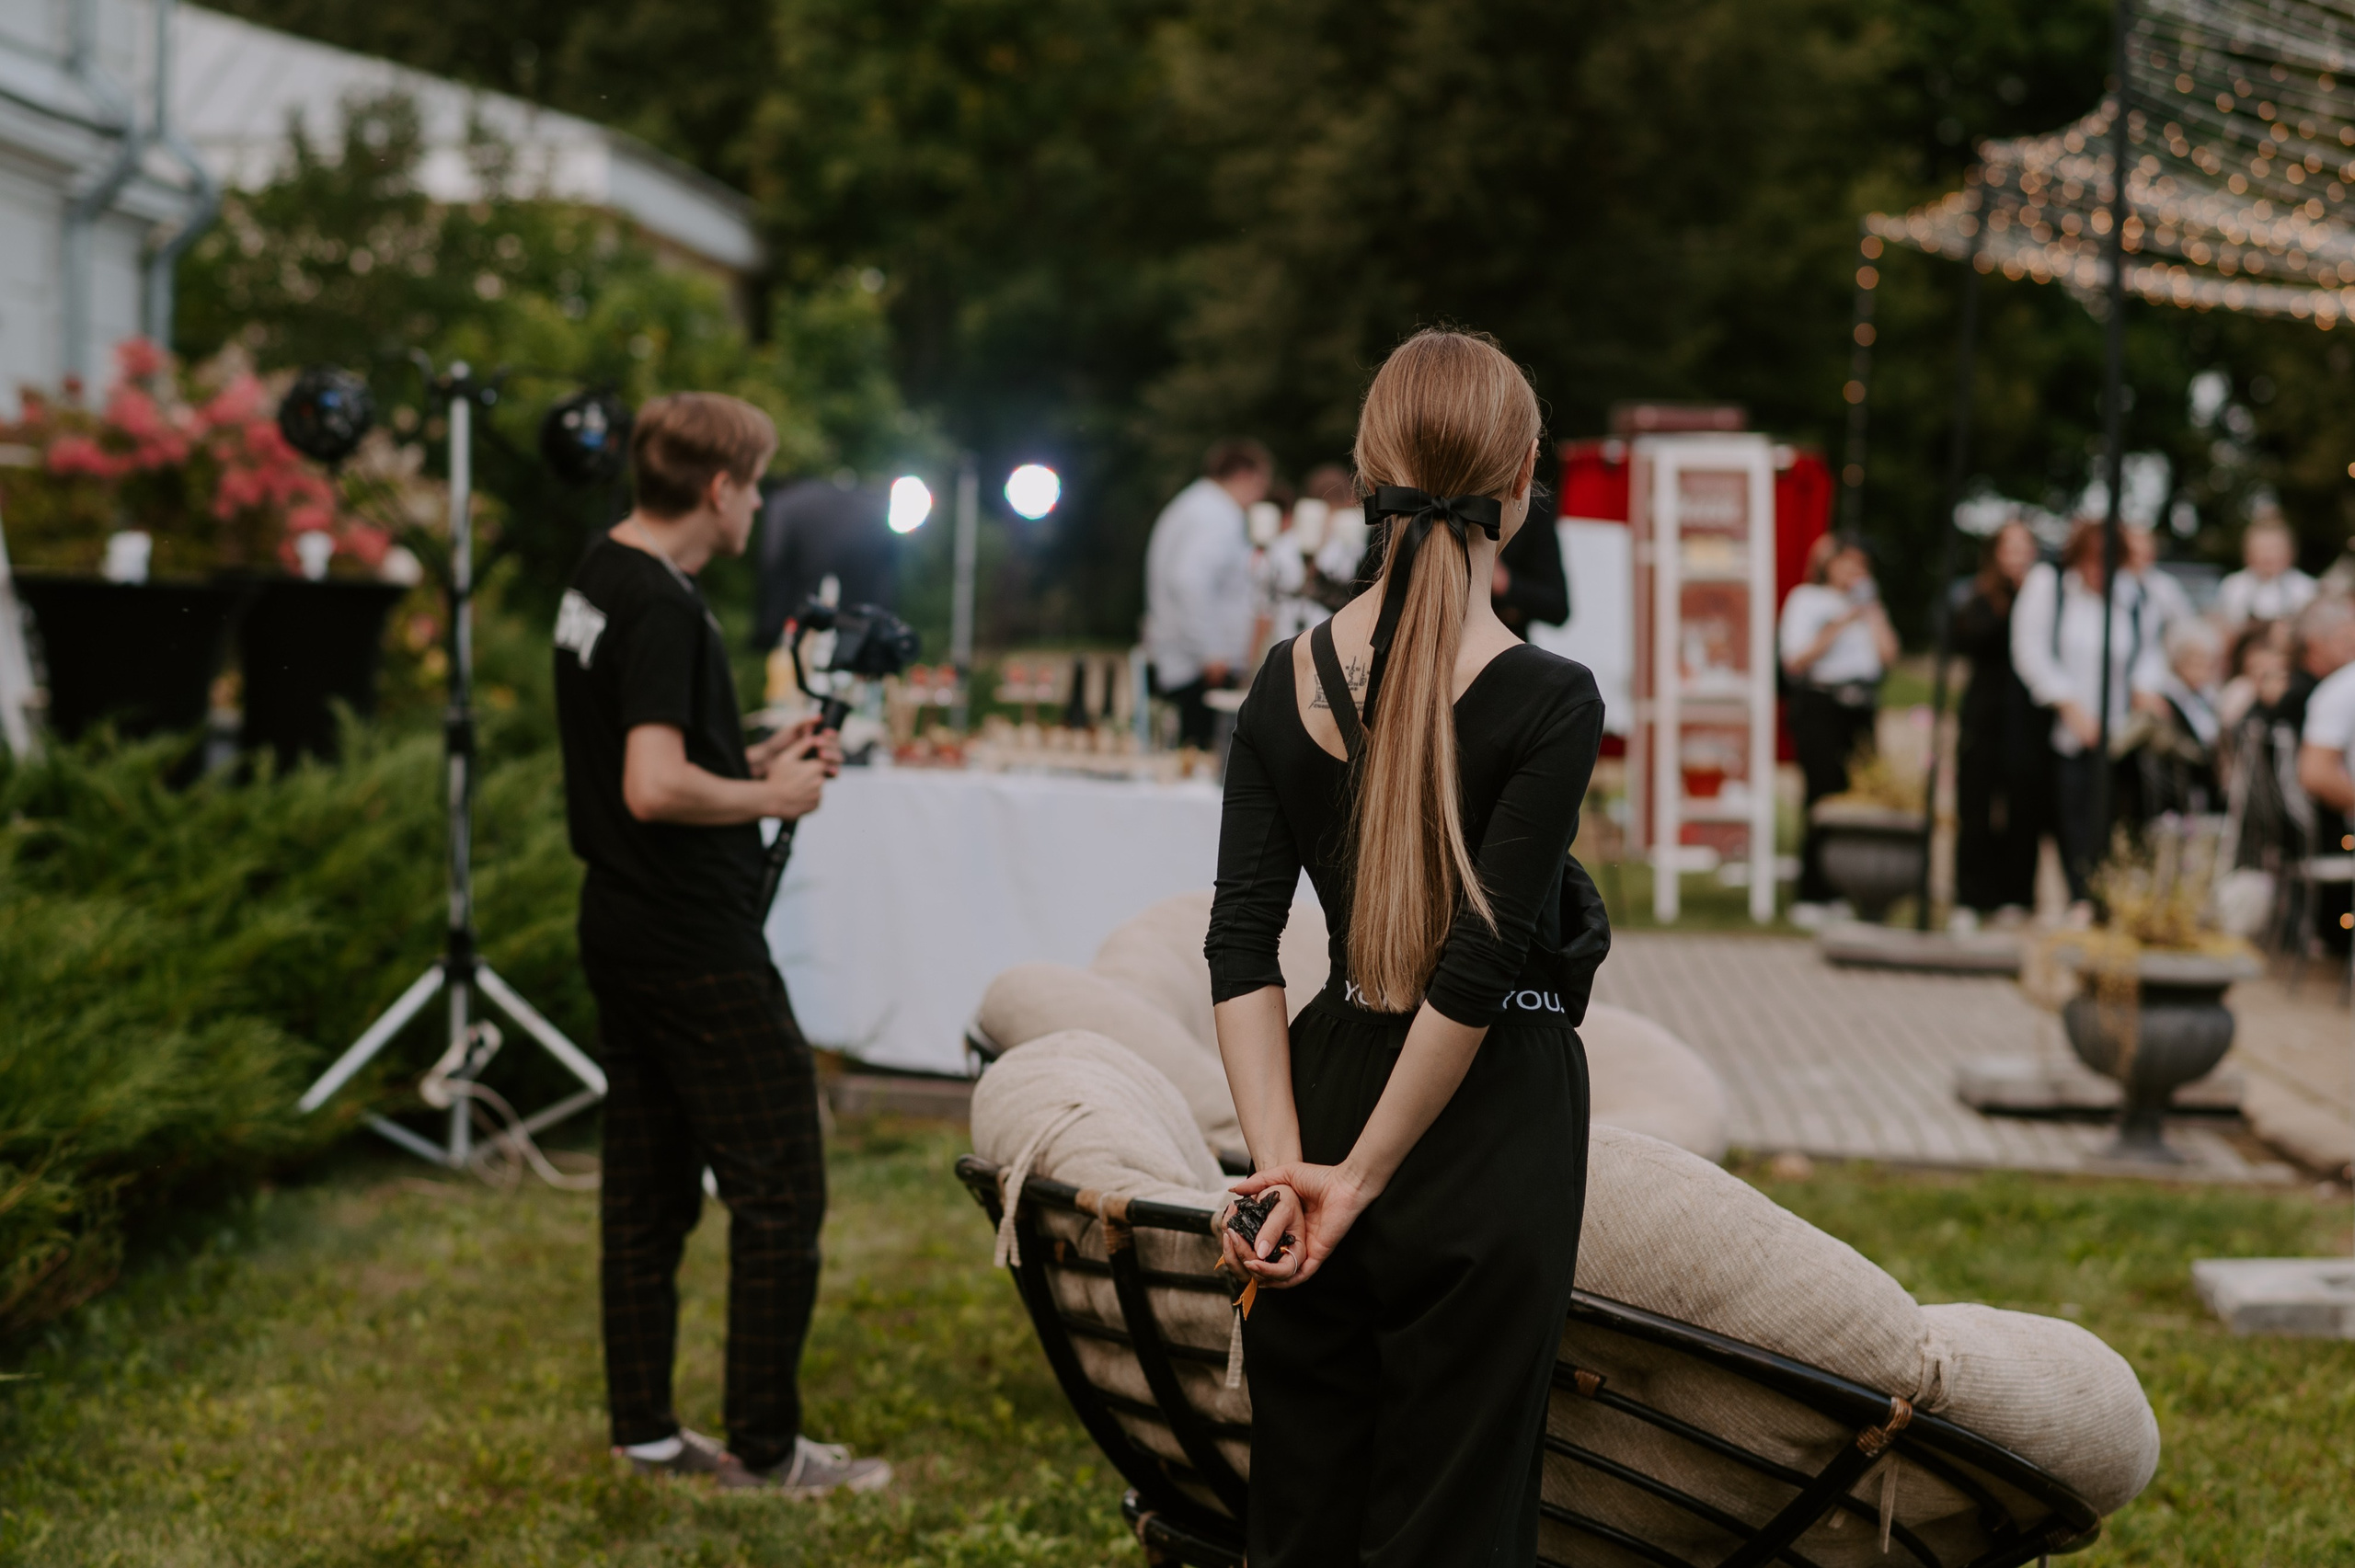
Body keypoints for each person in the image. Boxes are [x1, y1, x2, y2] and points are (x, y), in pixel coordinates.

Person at [1203, 329, 1607, 1566]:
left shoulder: (1287, 678)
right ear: (1523, 478)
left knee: (1305, 1509)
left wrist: (1289, 1173)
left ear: (1367, 467)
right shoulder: (1550, 697)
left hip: (1321, 1093)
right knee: (1452, 1523)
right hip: (1483, 1129)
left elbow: (1241, 945)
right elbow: (1478, 973)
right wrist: (1361, 1179)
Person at [552, 393, 890, 1497]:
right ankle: (767, 1445)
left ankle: (645, 1432)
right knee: (781, 1181)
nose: (758, 505)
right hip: (690, 934)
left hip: (620, 921)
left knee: (646, 1190)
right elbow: (649, 786)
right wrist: (775, 794)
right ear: (718, 488)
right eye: (754, 486)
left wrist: (750, 749)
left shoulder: (600, 572)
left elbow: (640, 743)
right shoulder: (658, 604)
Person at [2009, 520, 2166, 910]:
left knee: (2117, 816)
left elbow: (2149, 652)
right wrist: (2069, 705)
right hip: (2063, 725)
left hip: (2120, 727)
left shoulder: (2136, 598)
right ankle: (2078, 897)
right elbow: (2030, 650)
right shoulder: (2051, 587)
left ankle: (2108, 900)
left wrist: (2145, 689)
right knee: (2071, 814)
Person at [1778, 534, 1899, 919]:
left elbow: (1887, 657)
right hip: (1821, 702)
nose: (1853, 572)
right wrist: (1840, 621)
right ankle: (1812, 893)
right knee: (1823, 795)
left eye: (1861, 565)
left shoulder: (1868, 607)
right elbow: (1796, 660)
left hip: (1860, 704)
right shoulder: (1807, 600)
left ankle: (1848, 889)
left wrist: (1872, 612)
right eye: (1847, 563)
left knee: (1859, 795)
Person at [1950, 520, 2049, 922]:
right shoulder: (1978, 596)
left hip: (2026, 715)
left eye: (2024, 547)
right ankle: (1972, 895)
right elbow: (1969, 641)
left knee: (2024, 804)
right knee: (1976, 802)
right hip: (1986, 710)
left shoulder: (2045, 594)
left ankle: (2017, 894)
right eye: (2009, 548)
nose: (2017, 556)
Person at [1145, 439, 1273, 747]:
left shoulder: (1194, 505)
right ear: (1244, 476)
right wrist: (1212, 651)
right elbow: (1188, 580)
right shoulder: (1217, 515)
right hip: (1200, 668)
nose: (1258, 498)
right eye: (1260, 486)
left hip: (1188, 658)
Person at [752, 474, 899, 650]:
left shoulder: (790, 503)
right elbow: (883, 579)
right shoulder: (876, 512)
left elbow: (773, 560)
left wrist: (769, 626)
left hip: (799, 622)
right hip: (850, 632)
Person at [2215, 512, 2317, 629]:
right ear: (2247, 554)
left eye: (2275, 548)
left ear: (2291, 552)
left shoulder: (2306, 589)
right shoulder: (2233, 586)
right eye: (2261, 549)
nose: (2268, 556)